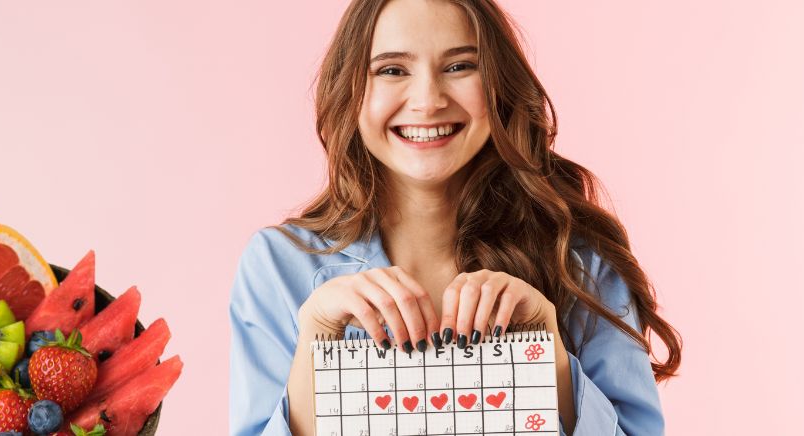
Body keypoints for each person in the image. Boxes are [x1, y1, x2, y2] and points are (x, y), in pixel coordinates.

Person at [229, 1, 682, 434]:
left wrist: (550, 354)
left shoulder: (578, 257)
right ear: (347, 89)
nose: (427, 101)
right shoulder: (276, 266)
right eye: (391, 70)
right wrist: (317, 336)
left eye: (459, 66)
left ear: (498, 83)